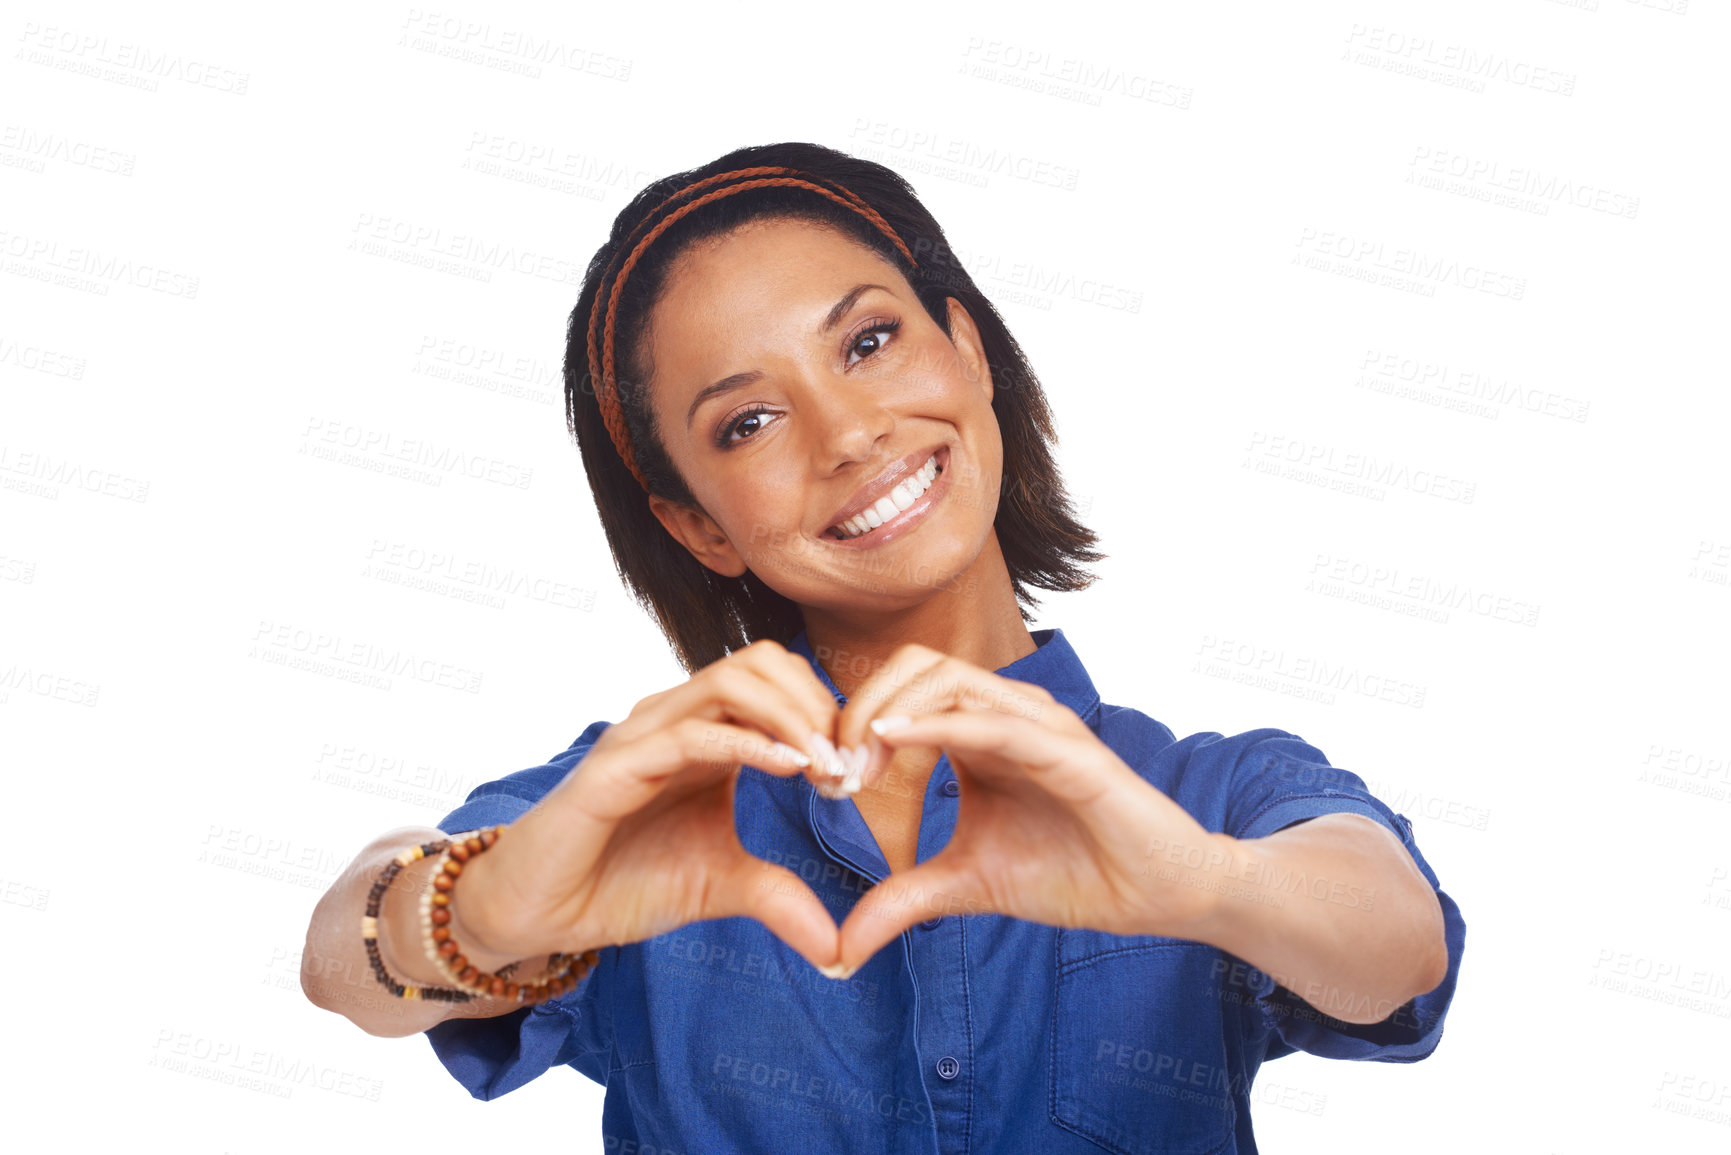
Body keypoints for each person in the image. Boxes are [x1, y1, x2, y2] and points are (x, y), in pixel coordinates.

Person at [302, 141, 1465, 1155]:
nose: (851, 433)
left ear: (965, 348)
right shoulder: (647, 809)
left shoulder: (1204, 792)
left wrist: (1200, 884)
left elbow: (1399, 947)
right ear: (698, 524)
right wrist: (489, 911)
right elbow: (342, 958)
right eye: (747, 422)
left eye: (867, 340)